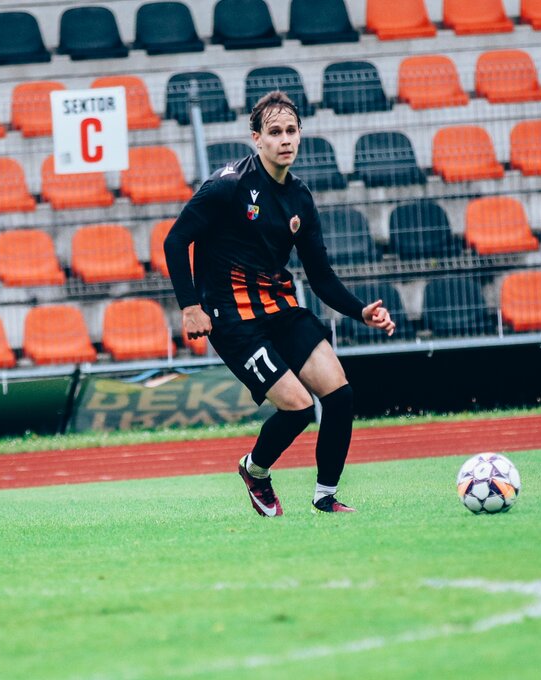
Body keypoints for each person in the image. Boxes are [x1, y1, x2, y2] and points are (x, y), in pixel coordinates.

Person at [165, 91, 395, 516]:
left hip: (280, 308)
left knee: (339, 393)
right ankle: (255, 470)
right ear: (257, 138)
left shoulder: (300, 198)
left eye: (291, 130)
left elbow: (320, 275)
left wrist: (360, 310)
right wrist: (190, 306)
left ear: (300, 134)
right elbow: (176, 240)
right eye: (274, 132)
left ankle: (325, 496)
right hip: (233, 319)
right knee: (299, 408)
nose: (285, 139)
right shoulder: (228, 186)